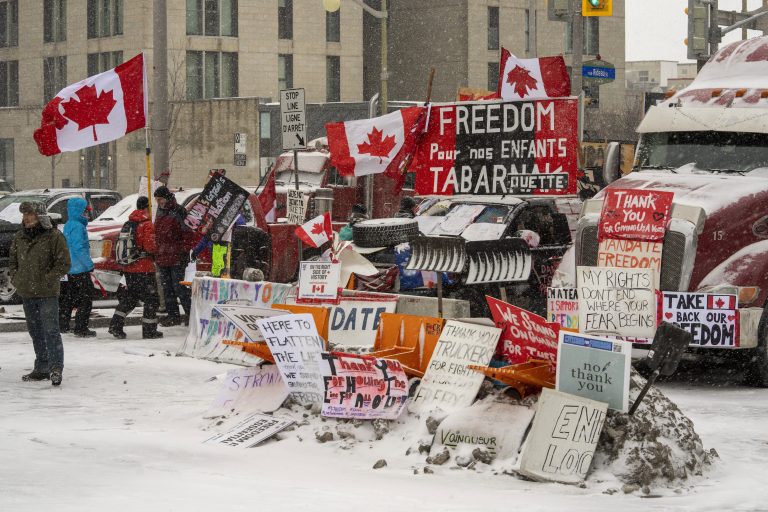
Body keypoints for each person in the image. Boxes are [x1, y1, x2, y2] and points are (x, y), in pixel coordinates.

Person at [10, 201, 71, 386]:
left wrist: (48, 278)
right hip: (27, 293)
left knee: (51, 331)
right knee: (35, 331)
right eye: (24, 214)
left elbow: (64, 263)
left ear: (40, 216)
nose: (26, 218)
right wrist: (17, 278)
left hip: (47, 293)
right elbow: (13, 262)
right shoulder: (19, 237)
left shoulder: (53, 236)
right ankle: (42, 367)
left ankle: (55, 368)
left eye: (30, 214)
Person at [108, 196, 163, 340]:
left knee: (130, 298)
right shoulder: (146, 224)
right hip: (144, 268)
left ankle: (115, 325)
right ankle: (149, 331)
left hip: (129, 268)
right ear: (147, 208)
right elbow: (150, 247)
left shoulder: (128, 222)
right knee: (152, 299)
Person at [153, 186, 194, 326]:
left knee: (180, 288)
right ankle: (173, 316)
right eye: (157, 200)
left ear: (167, 197)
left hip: (176, 255)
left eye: (160, 199)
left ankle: (190, 314)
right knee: (167, 288)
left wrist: (183, 251)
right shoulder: (159, 211)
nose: (159, 202)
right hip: (162, 255)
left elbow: (187, 233)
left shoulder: (179, 211)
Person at [59, 197, 96, 337]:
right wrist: (89, 265)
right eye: (85, 211)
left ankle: (62, 325)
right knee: (86, 299)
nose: (87, 214)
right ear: (79, 211)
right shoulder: (78, 226)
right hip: (79, 268)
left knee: (68, 298)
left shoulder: (69, 224)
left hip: (69, 269)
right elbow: (78, 247)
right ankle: (81, 327)